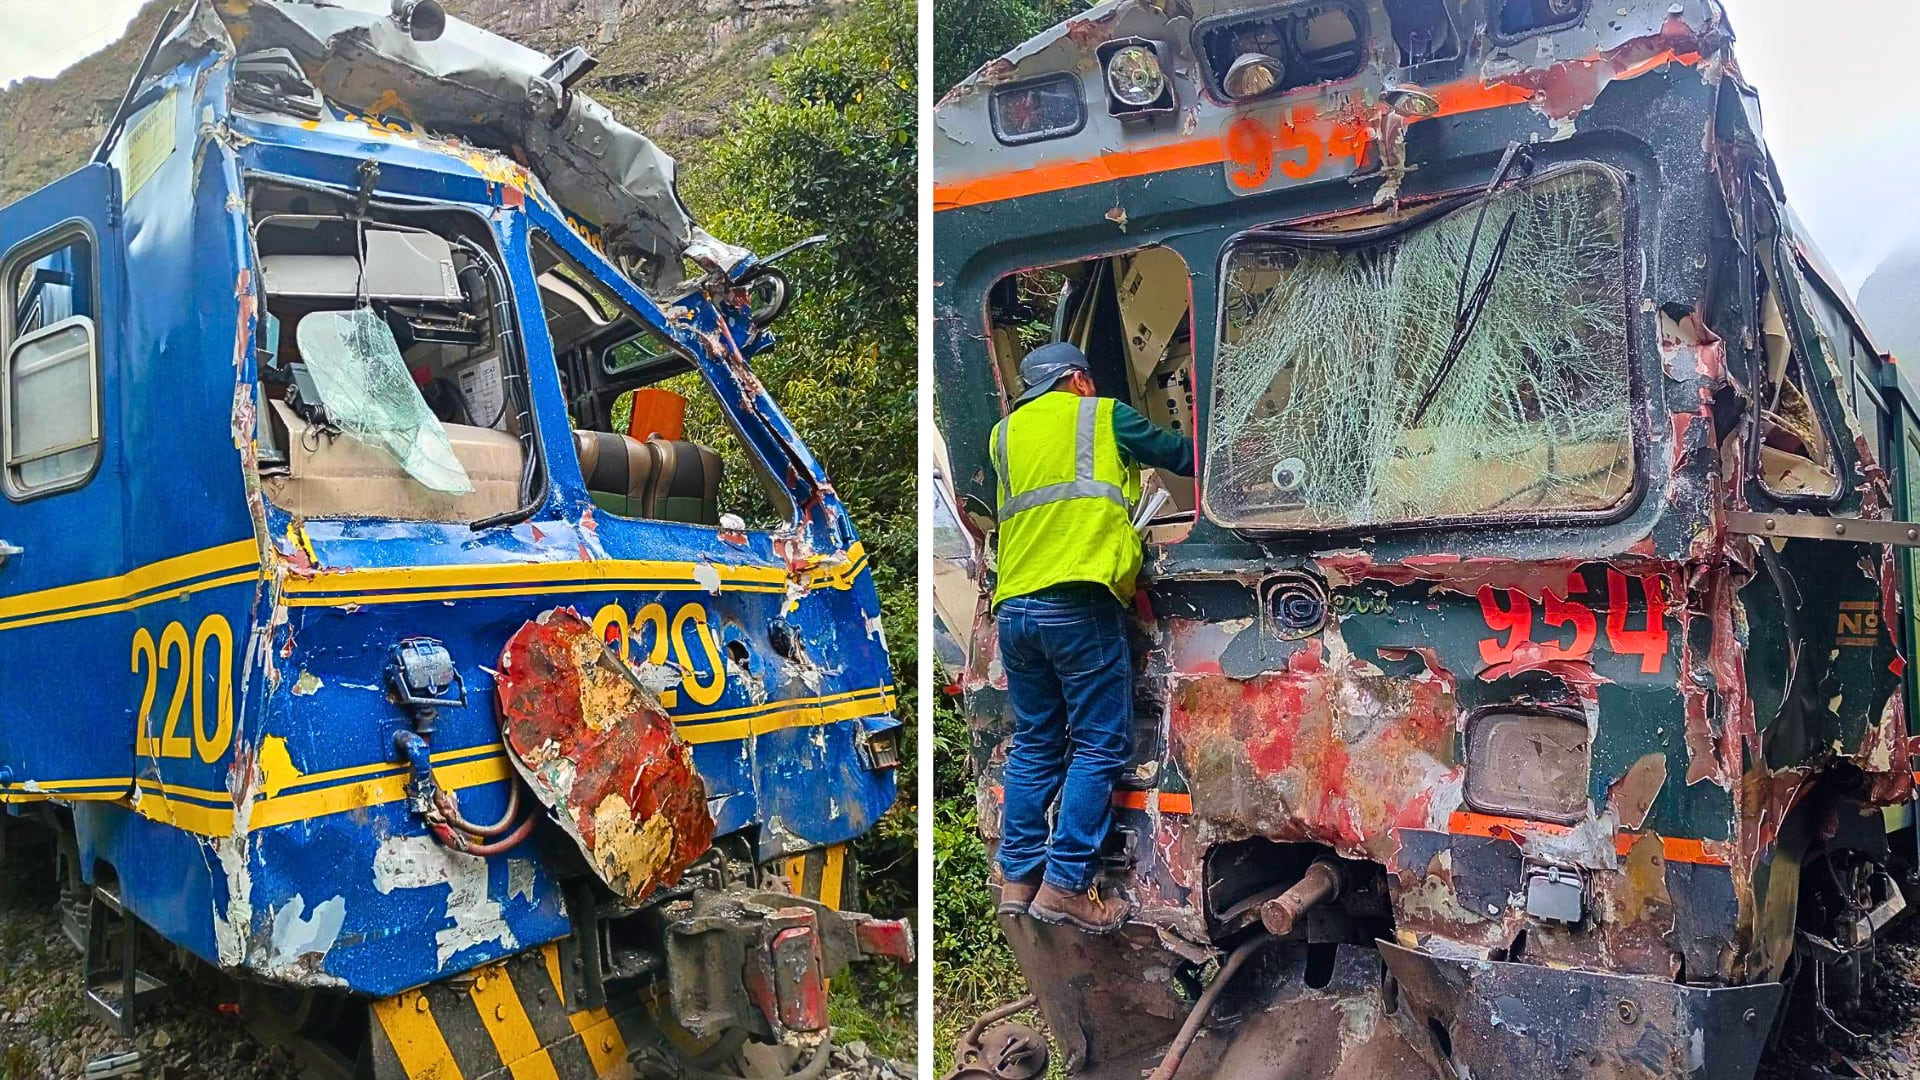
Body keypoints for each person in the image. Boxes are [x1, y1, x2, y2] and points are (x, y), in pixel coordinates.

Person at [988, 341, 1195, 934]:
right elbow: (1179, 455)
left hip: (1015, 609)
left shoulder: (1003, 435)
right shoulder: (1103, 414)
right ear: (1078, 380)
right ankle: (1065, 885)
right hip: (1078, 601)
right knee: (1099, 745)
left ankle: (1018, 877)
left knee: (1035, 743)